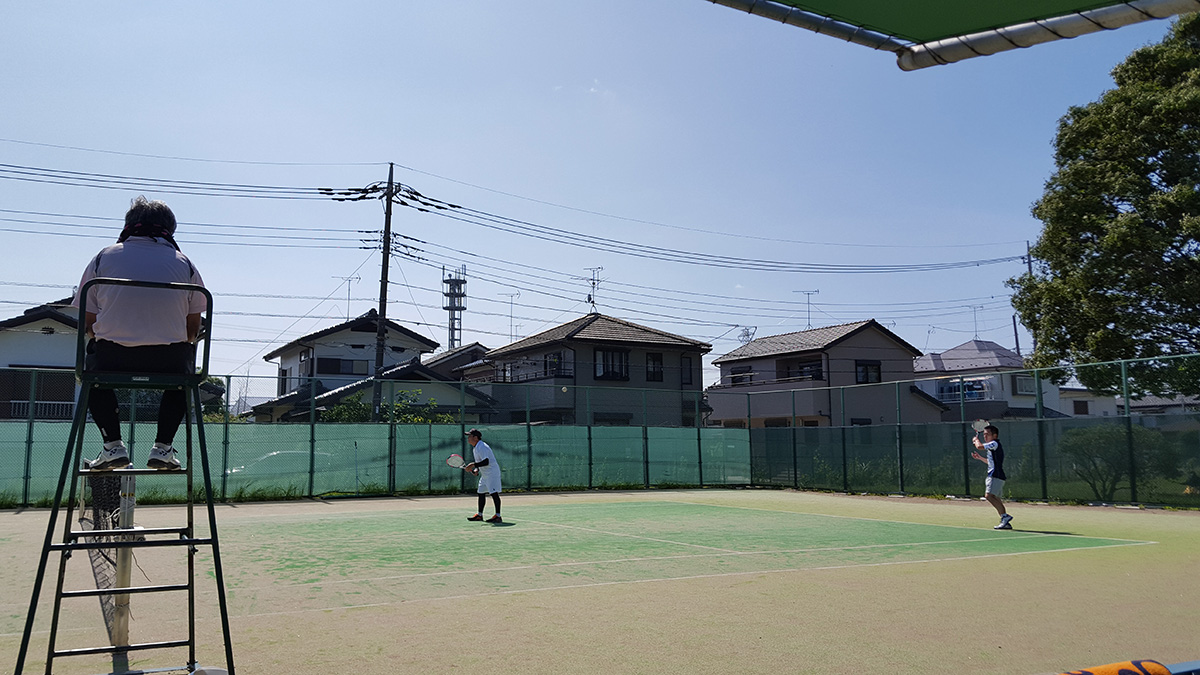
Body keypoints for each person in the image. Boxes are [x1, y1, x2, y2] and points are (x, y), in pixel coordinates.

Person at [72, 196, 207, 471]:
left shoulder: (103, 257)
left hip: (112, 358)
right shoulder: (185, 264)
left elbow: (87, 322)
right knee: (185, 375)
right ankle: (163, 448)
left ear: (129, 225)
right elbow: (193, 329)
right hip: (169, 360)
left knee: (92, 373)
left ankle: (112, 446)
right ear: (170, 229)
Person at [971, 424, 1012, 530]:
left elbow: (979, 447)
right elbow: (991, 462)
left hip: (995, 475)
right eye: (984, 434)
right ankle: (1005, 520)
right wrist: (980, 458)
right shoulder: (993, 447)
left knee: (989, 496)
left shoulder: (994, 443)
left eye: (987, 434)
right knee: (995, 498)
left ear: (994, 435)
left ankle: (1005, 516)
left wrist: (976, 440)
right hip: (996, 475)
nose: (985, 436)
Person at [464, 428, 502, 523]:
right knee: (481, 493)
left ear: (476, 438)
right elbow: (480, 462)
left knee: (494, 493)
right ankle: (479, 515)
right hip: (485, 474)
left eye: (470, 436)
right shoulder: (475, 448)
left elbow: (486, 461)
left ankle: (498, 516)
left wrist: (473, 465)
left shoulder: (482, 446)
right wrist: (476, 470)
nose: (468, 438)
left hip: (492, 473)